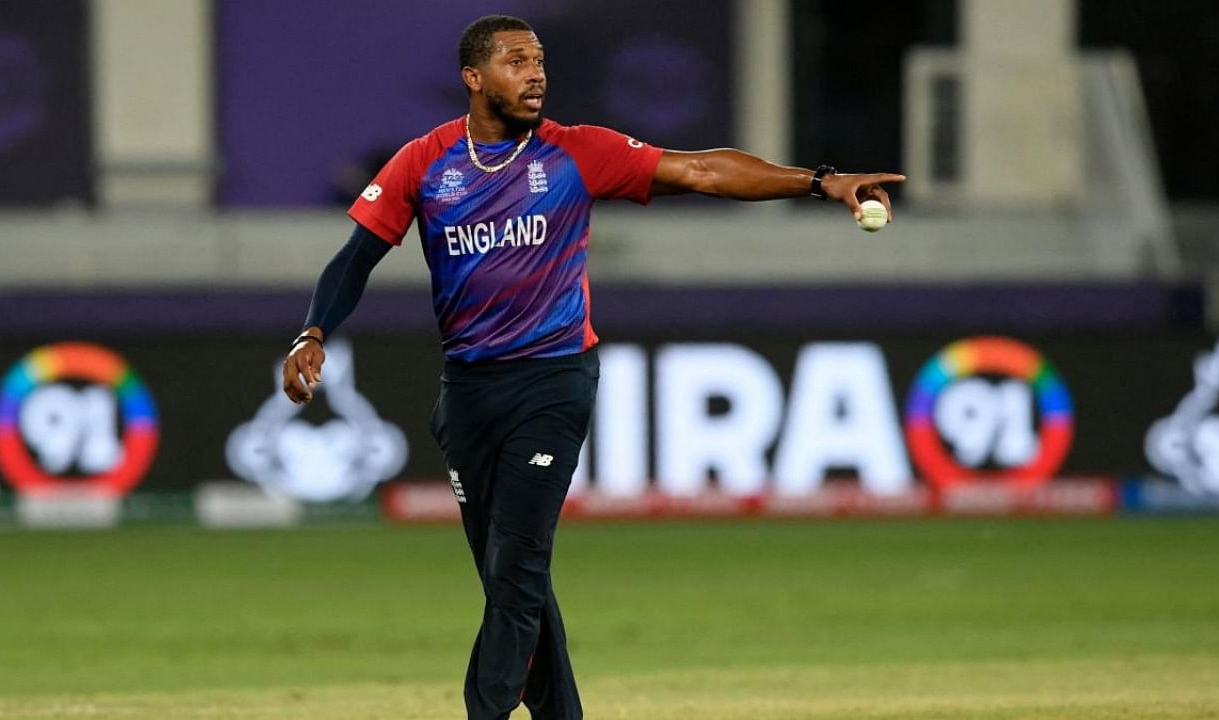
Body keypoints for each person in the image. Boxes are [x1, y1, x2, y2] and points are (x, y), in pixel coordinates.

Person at [280, 14, 905, 720]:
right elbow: (357, 254)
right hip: (468, 392)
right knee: (508, 579)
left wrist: (820, 182)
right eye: (517, 61)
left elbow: (700, 169)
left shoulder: (576, 153)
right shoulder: (425, 162)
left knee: (516, 571)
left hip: (552, 381)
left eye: (539, 59)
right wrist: (314, 331)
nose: (536, 72)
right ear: (474, 78)